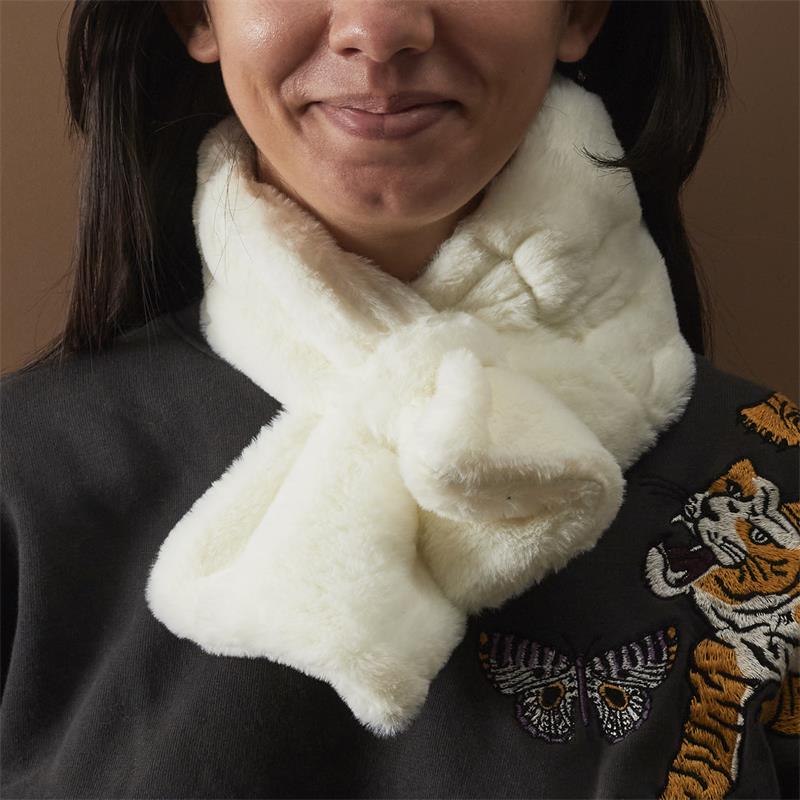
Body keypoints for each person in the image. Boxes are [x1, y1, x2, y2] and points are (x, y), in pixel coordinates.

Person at [1, 1, 797, 798]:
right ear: (193, 16)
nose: (377, 28)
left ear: (580, 12)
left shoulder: (780, 491)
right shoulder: (20, 482)